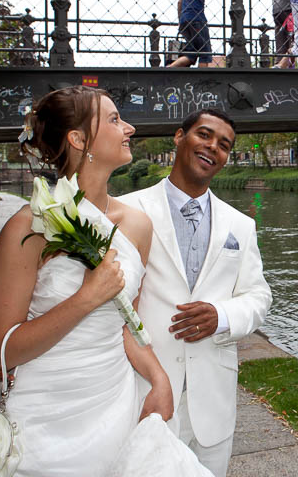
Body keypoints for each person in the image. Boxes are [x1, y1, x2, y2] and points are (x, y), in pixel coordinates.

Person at [0, 86, 208, 475]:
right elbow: (2, 351)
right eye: (116, 120)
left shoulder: (137, 226)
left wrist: (159, 379)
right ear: (79, 139)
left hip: (115, 402)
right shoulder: (29, 226)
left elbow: (128, 327)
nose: (129, 127)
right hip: (43, 411)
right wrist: (86, 297)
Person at [118, 109, 273, 477]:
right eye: (204, 135)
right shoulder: (126, 209)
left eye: (224, 145)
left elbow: (258, 295)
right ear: (179, 136)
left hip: (214, 404)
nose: (212, 148)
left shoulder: (242, 225)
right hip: (142, 392)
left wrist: (222, 316)